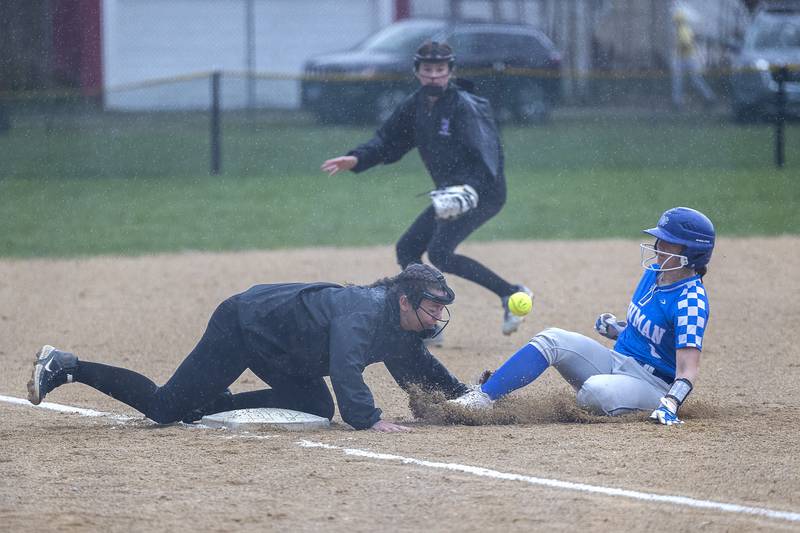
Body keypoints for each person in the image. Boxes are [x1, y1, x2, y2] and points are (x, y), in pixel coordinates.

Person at [26, 263, 471, 432]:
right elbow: (345, 366)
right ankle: (67, 365)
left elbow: (419, 367)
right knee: (165, 409)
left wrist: (468, 399)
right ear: (403, 300)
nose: (436, 317)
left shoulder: (399, 328)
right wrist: (368, 420)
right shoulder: (364, 311)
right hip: (245, 325)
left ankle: (211, 403)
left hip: (285, 348)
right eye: (431, 307)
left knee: (315, 406)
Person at [321, 40, 531, 338]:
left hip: (484, 190)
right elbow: (387, 140)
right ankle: (426, 317)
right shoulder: (416, 105)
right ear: (417, 72)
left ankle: (511, 294)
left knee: (440, 252)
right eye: (428, 69)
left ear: (450, 71)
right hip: (449, 193)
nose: (434, 75)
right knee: (407, 249)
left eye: (440, 70)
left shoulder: (466, 106)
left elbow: (488, 155)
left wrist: (469, 189)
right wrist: (357, 157)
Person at [450, 207, 715, 426]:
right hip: (617, 361)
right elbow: (652, 336)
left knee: (594, 392)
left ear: (691, 253)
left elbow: (687, 370)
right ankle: (480, 399)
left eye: (669, 243)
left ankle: (645, 401)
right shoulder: (655, 273)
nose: (658, 247)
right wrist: (617, 329)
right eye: (659, 239)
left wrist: (670, 403)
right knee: (552, 339)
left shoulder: (690, 301)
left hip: (653, 385)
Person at [671, 8, 716, 110]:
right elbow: (689, 41)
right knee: (693, 79)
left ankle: (677, 102)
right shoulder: (685, 29)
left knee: (680, 81)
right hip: (686, 57)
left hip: (684, 58)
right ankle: (709, 97)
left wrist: (682, 45)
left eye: (676, 21)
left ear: (679, 21)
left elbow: (686, 43)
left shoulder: (683, 29)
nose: (675, 23)